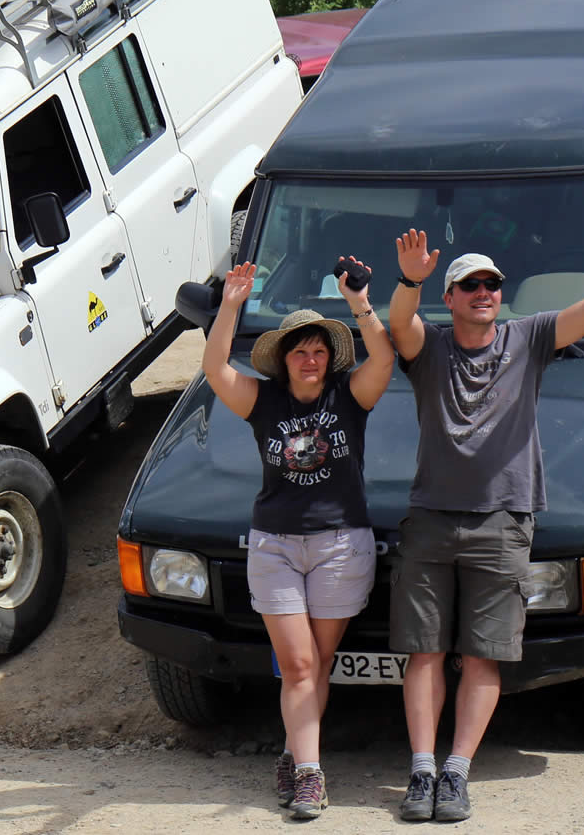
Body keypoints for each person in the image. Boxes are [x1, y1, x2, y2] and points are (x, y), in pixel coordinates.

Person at [386, 211, 584, 823]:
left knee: (483, 655)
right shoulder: (430, 346)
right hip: (429, 518)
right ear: (449, 298)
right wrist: (408, 281)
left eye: (492, 285)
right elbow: (400, 323)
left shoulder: (528, 337)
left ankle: (456, 773)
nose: (484, 294)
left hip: (503, 522)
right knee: (422, 652)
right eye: (470, 286)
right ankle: (421, 772)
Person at [200, 259, 394, 819]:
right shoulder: (264, 402)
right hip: (276, 547)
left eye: (318, 351)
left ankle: (292, 754)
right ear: (283, 362)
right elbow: (214, 367)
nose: (310, 360)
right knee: (301, 666)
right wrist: (232, 303)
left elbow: (385, 357)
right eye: (298, 352)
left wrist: (358, 300)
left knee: (317, 663)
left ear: (330, 357)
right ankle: (311, 776)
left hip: (340, 544)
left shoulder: (350, 396)